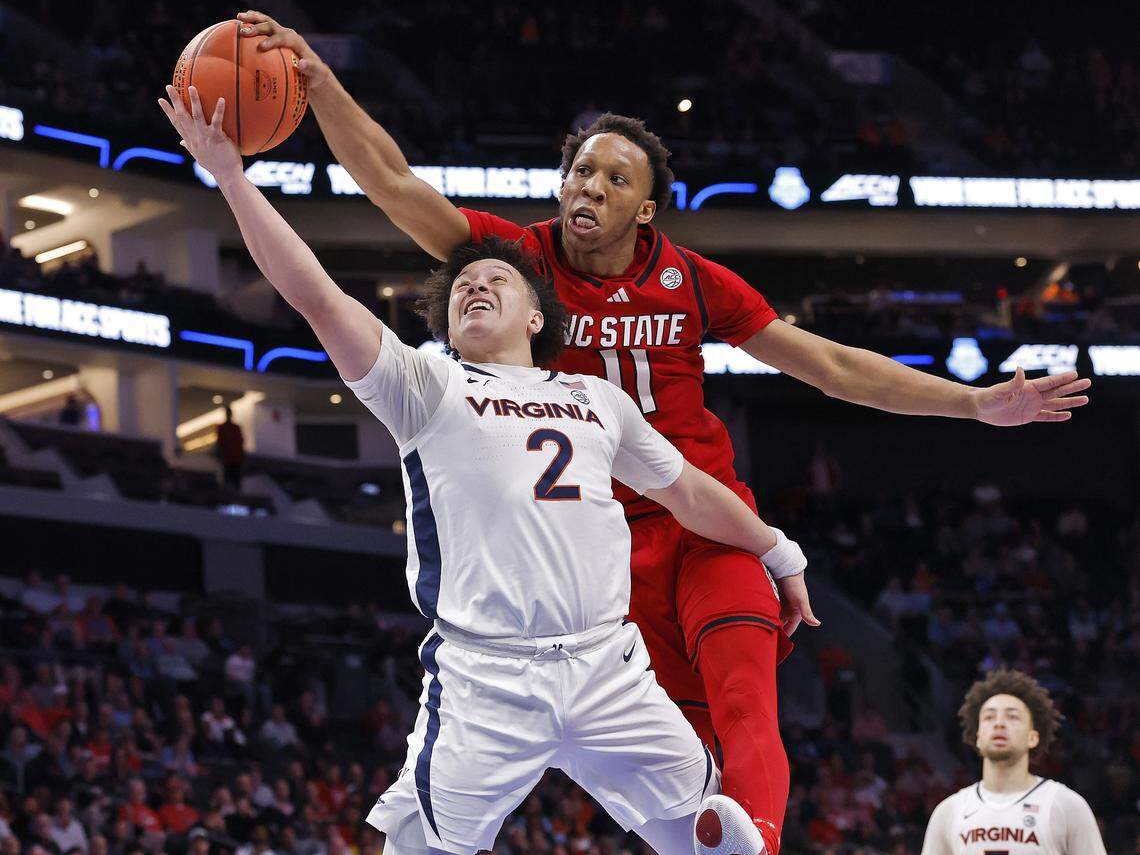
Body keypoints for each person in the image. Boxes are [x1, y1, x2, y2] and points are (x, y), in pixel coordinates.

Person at [231, 12, 1092, 855]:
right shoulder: (519, 265)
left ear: (648, 209)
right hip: (601, 555)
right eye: (578, 174)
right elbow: (391, 181)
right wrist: (320, 85)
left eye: (612, 179)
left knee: (746, 692)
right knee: (679, 763)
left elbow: (829, 365)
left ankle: (753, 840)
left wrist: (973, 405)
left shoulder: (693, 278)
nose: (588, 189)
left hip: (705, 520)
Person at [158, 86, 815, 855]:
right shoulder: (425, 385)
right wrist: (232, 178)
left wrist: (778, 551)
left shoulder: (596, 398)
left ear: (537, 317)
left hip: (608, 666)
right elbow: (311, 291)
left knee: (716, 840)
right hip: (487, 677)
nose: (475, 284)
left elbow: (695, 494)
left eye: (494, 281)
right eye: (463, 285)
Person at [921, 668, 1106, 855]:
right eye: (989, 717)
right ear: (978, 736)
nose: (999, 723)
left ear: (1033, 737)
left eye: (1012, 716)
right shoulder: (949, 811)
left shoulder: (1066, 805)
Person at [215, 406, 245, 493]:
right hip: (231, 458)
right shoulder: (229, 428)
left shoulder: (231, 428)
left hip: (232, 458)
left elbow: (221, 443)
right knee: (232, 479)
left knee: (231, 479)